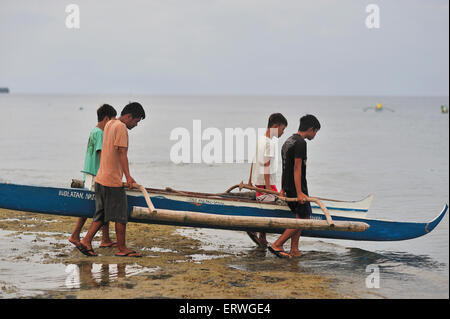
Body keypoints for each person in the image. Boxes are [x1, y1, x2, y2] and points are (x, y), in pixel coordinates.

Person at [79, 102, 146, 257]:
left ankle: (86, 241)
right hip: (112, 179)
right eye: (136, 121)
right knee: (121, 216)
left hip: (101, 177)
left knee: (102, 215)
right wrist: (128, 177)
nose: (135, 125)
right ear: (129, 116)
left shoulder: (110, 124)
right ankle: (122, 249)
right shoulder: (121, 128)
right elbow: (122, 153)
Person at [268, 114, 321, 258]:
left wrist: (283, 188)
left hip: (289, 185)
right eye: (315, 132)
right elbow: (297, 168)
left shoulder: (288, 141)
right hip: (297, 187)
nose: (315, 135)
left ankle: (294, 249)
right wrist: (299, 193)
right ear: (310, 129)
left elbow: (285, 168)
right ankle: (277, 244)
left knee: (300, 216)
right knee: (304, 219)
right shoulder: (300, 143)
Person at [69, 104, 117, 254]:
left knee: (95, 206)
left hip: (89, 173)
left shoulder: (94, 131)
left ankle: (105, 239)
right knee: (101, 207)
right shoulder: (101, 133)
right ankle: (76, 235)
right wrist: (108, 172)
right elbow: (102, 154)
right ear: (106, 119)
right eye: (112, 121)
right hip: (97, 175)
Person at [247, 113, 287, 248]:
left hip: (259, 182)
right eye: (282, 129)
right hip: (265, 184)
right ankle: (258, 230)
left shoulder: (260, 140)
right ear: (275, 126)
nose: (283, 132)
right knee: (280, 204)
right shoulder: (269, 143)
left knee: (265, 208)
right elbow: (266, 165)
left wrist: (249, 181)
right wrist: (269, 187)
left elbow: (253, 160)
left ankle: (262, 237)